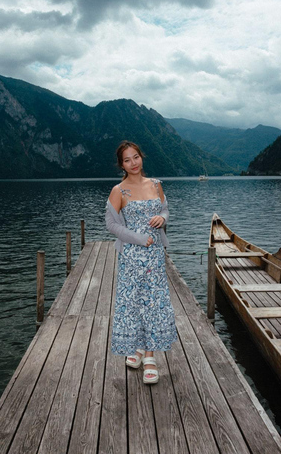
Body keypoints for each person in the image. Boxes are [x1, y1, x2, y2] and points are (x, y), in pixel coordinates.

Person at [105, 140, 177, 384]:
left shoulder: (156, 185)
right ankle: (135, 349)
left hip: (155, 256)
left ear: (141, 157)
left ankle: (149, 358)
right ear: (121, 164)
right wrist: (137, 238)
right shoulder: (119, 191)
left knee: (154, 303)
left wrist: (161, 218)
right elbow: (111, 224)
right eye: (127, 160)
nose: (133, 163)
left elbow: (166, 210)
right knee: (133, 303)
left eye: (136, 157)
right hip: (132, 258)